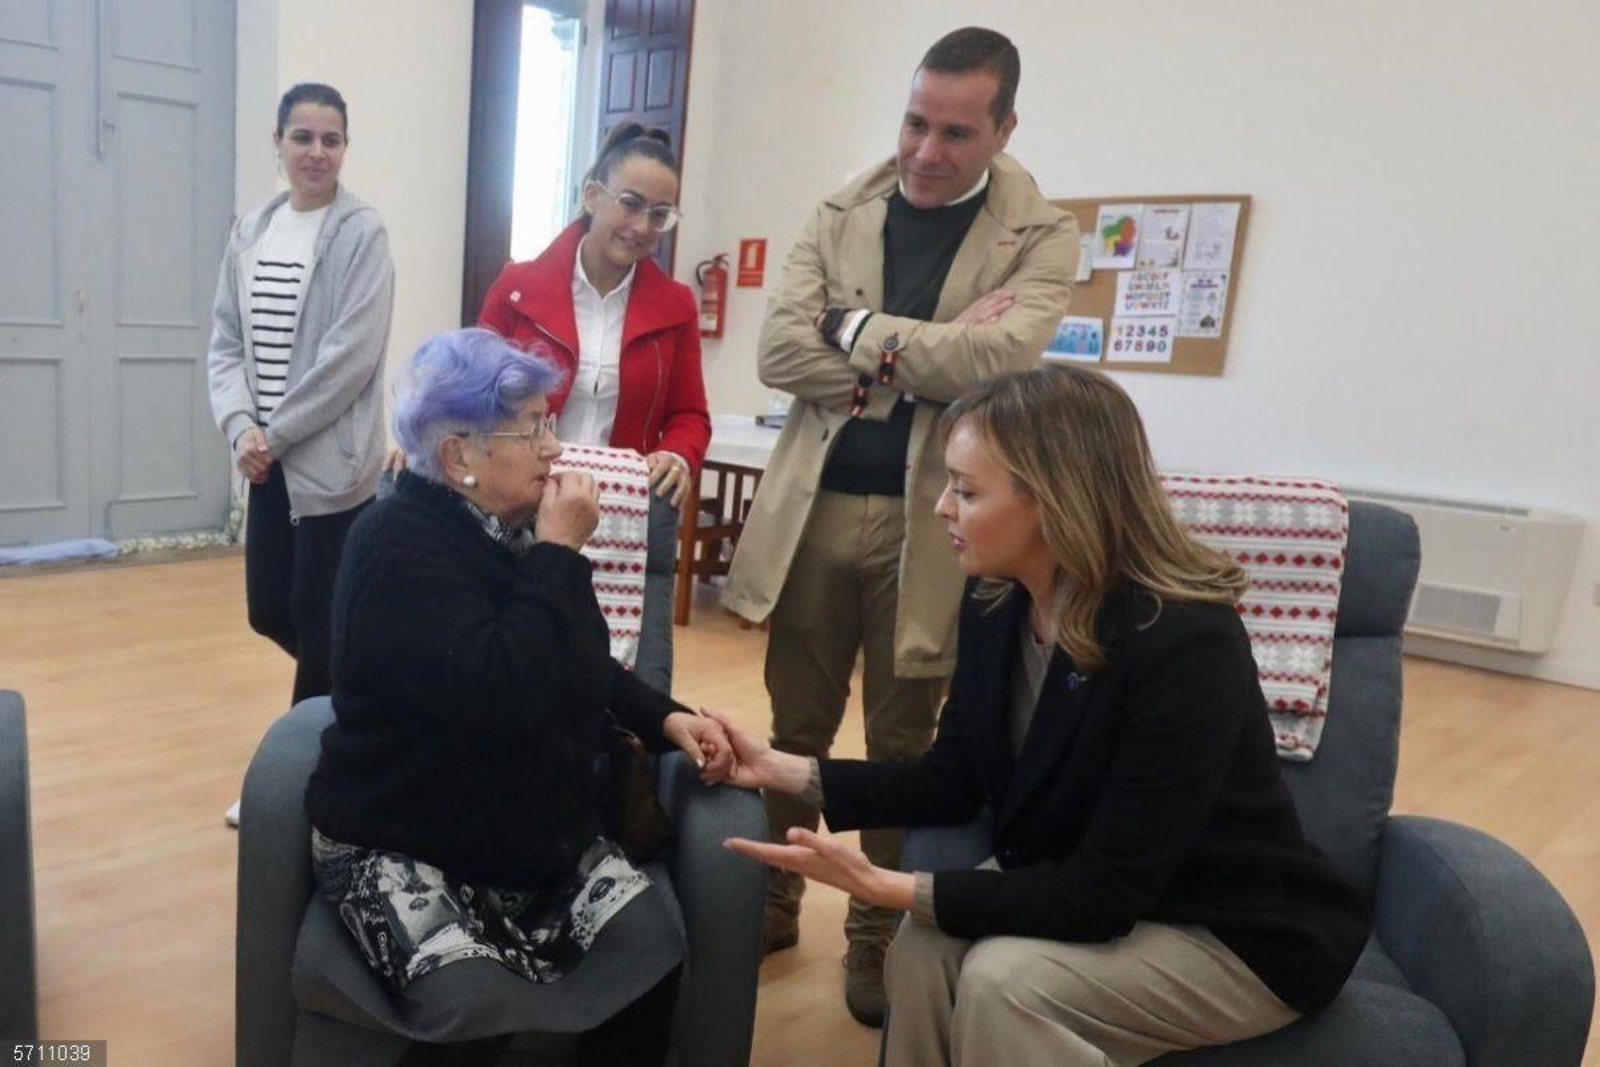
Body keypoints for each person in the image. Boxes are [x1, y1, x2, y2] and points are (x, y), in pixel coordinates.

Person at [717, 364, 1369, 1064]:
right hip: (1093, 888)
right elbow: (955, 776)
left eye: (966, 490)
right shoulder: (998, 602)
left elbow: (1107, 890)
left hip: (1230, 927)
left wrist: (890, 884)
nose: (941, 507)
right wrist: (784, 769)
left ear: (1055, 500)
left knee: (1006, 983)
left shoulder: (1186, 640)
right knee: (921, 950)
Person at [718, 26, 1080, 1022]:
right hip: (818, 507)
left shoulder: (1043, 236)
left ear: (1004, 129)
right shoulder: (841, 208)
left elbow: (996, 365)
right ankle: (778, 897)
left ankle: (876, 932)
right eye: (915, 122)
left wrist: (854, 330)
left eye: (956, 133)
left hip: (947, 526)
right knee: (793, 726)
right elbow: (778, 351)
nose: (926, 150)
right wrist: (920, 351)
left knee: (902, 745)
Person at [305, 329, 733, 1066]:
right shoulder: (395, 545)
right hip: (408, 835)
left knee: (650, 950)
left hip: (526, 833)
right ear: (458, 457)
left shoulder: (510, 530)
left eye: (550, 421)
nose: (554, 447)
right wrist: (559, 553)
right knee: (474, 1005)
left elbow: (580, 662)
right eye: (532, 427)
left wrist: (666, 716)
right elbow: (502, 689)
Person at [207, 82, 395, 828]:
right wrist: (239, 426)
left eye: (331, 139)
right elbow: (224, 343)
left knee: (318, 625)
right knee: (270, 610)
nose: (317, 152)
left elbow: (349, 358)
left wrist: (272, 434)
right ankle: (366, 696)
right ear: (278, 143)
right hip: (265, 457)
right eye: (303, 137)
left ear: (344, 147)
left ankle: (286, 787)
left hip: (331, 467)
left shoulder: (361, 233)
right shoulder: (252, 231)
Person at [476, 122, 711, 508]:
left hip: (620, 504)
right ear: (591, 196)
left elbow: (689, 415)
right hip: (521, 496)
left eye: (660, 214)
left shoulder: (677, 306)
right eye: (631, 204)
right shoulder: (516, 287)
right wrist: (427, 439)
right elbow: (471, 390)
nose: (642, 227)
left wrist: (677, 454)